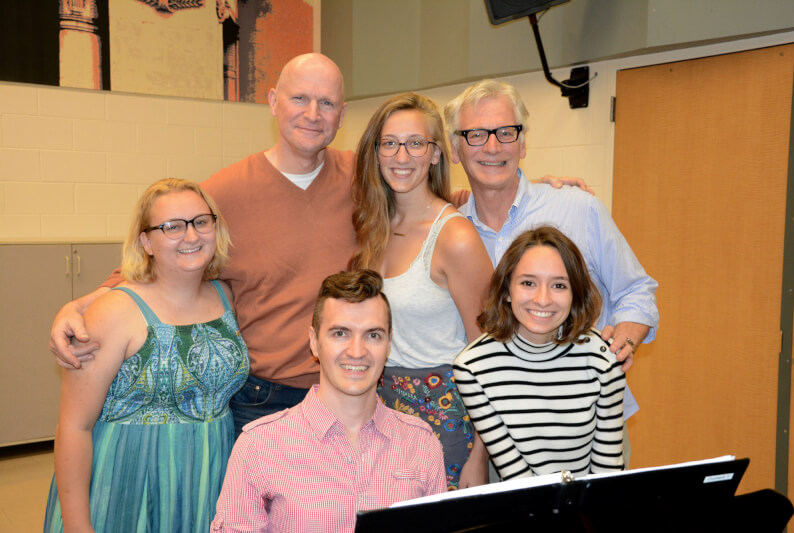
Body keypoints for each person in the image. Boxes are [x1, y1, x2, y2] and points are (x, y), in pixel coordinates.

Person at [48, 54, 589, 436]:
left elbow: (428, 199)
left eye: (326, 102)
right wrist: (85, 303)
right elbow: (160, 255)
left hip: (360, 390)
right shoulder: (224, 192)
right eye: (300, 99)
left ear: (342, 115)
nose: (312, 113)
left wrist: (528, 186)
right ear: (273, 101)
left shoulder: (364, 175)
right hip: (263, 399)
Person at [444, 80, 658, 437]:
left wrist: (625, 340)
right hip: (494, 432)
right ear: (454, 148)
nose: (493, 146)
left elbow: (637, 289)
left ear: (523, 143)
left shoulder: (578, 209)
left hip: (590, 427)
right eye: (476, 134)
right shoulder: (448, 234)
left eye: (506, 132)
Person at [43, 178, 249, 532]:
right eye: (172, 226)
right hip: (125, 484)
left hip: (207, 479)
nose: (191, 236)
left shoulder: (225, 296)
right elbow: (74, 427)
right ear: (146, 242)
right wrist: (78, 526)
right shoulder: (113, 312)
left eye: (201, 222)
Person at [211, 270, 446, 532]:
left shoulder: (422, 444)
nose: (357, 352)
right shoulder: (259, 446)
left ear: (388, 344)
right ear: (314, 342)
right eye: (340, 333)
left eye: (373, 335)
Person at [348, 93, 493, 490]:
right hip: (382, 410)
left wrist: (480, 457)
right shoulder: (374, 228)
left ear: (435, 154)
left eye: (416, 143)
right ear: (376, 152)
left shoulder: (455, 237)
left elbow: (491, 355)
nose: (401, 156)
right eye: (390, 143)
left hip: (446, 417)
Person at [454, 227, 625, 480]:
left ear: (575, 294)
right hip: (525, 501)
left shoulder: (603, 358)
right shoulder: (473, 368)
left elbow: (606, 473)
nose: (543, 299)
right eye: (528, 283)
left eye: (559, 285)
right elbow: (516, 476)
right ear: (506, 291)